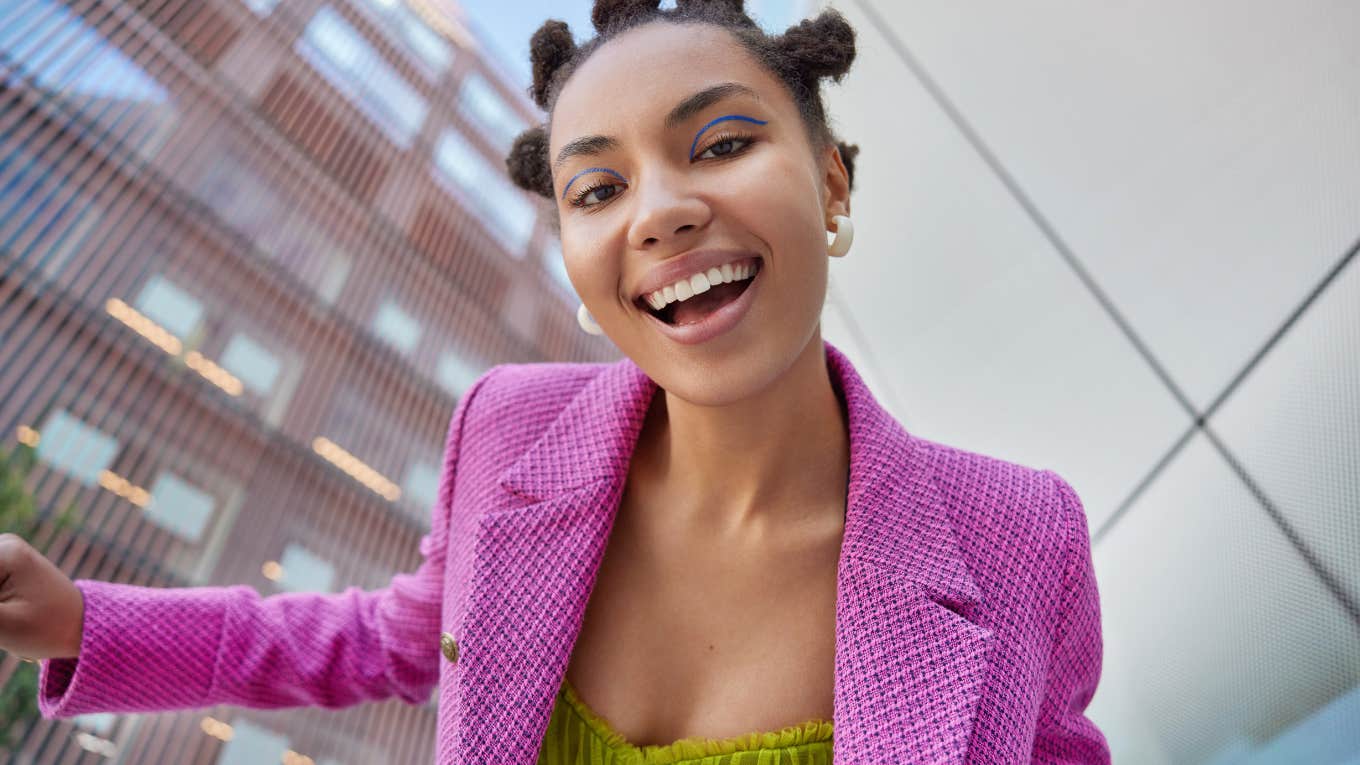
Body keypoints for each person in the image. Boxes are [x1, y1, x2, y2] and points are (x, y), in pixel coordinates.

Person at [0, 0, 1111, 762]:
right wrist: (76, 620)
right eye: (595, 190)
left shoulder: (1021, 539)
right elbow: (383, 638)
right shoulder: (508, 429)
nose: (659, 212)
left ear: (829, 181)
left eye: (720, 144)